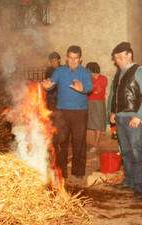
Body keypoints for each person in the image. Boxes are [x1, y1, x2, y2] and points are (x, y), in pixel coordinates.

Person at [109, 42, 142, 200]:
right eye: (115, 59)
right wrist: (113, 112)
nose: (118, 61)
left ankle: (139, 187)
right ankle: (129, 181)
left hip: (133, 118)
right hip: (120, 118)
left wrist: (139, 116)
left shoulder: (139, 71)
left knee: (137, 152)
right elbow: (114, 95)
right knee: (126, 152)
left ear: (129, 55)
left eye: (120, 58)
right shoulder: (118, 73)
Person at [42, 45, 92, 179]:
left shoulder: (85, 72)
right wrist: (47, 86)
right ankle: (61, 171)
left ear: (80, 59)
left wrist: (82, 89)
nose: (73, 61)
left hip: (80, 113)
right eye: (70, 58)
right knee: (61, 143)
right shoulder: (59, 71)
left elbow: (89, 87)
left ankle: (78, 172)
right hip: (62, 112)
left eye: (76, 58)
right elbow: (51, 83)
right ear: (66, 58)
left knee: (79, 142)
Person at [86, 62, 108, 152]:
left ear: (93, 70)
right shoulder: (89, 78)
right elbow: (89, 90)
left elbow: (97, 90)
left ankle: (96, 144)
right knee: (88, 123)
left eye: (89, 71)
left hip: (98, 103)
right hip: (88, 102)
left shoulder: (103, 78)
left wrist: (91, 88)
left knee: (98, 124)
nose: (88, 73)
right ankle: (89, 143)